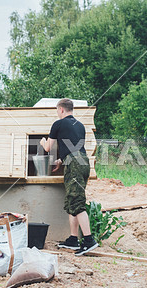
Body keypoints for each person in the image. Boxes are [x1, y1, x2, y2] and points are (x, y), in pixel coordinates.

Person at [40, 98, 98, 256]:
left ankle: (88, 240)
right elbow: (75, 148)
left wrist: (42, 141)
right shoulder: (79, 125)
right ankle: (73, 239)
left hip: (74, 165)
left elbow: (47, 148)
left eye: (57, 111)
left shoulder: (58, 124)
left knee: (77, 202)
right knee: (72, 200)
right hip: (83, 163)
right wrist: (61, 160)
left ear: (61, 110)